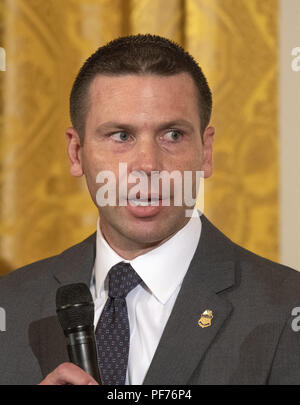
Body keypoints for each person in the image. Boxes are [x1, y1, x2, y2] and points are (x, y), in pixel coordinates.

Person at [1, 33, 300, 385]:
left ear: (205, 152)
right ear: (76, 152)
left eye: (172, 135)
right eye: (121, 136)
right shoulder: (11, 305)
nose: (147, 164)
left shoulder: (285, 308)